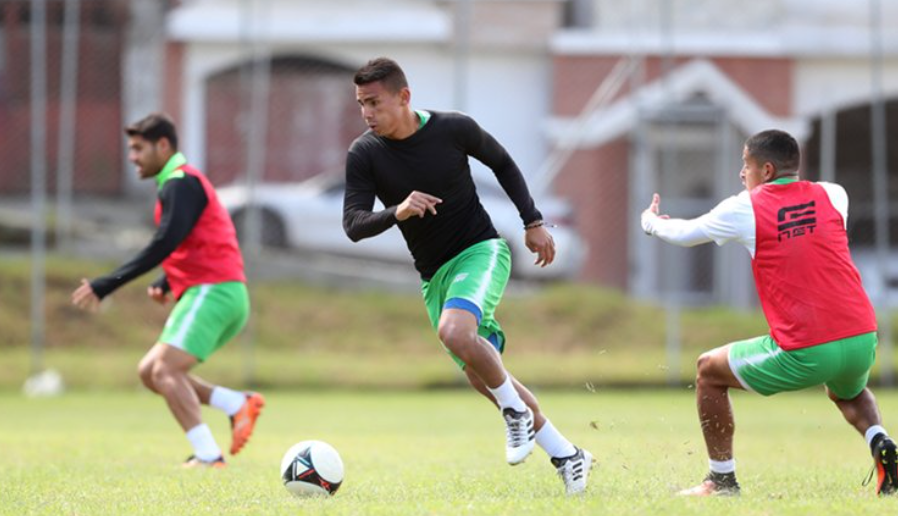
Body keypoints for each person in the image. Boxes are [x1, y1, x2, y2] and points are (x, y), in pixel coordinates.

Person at [342, 57, 593, 495]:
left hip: (481, 251)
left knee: (456, 334)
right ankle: (568, 456)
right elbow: (354, 224)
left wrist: (533, 223)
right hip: (433, 276)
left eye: (375, 103)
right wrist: (397, 211)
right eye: (361, 104)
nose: (367, 113)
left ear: (404, 97)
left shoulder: (453, 129)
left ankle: (513, 415)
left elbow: (503, 163)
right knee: (484, 375)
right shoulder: (365, 153)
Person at [641, 129, 897, 496]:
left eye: (745, 165)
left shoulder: (744, 208)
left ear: (766, 169)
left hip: (807, 347)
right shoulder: (833, 193)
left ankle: (722, 481)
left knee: (708, 371)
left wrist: (649, 221)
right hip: (862, 336)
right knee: (849, 392)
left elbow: (683, 233)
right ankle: (881, 442)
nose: (741, 175)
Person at [71, 113, 265, 468]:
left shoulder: (179, 182)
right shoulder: (178, 181)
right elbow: (189, 240)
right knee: (151, 372)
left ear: (163, 145)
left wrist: (105, 284)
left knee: (164, 371)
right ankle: (235, 404)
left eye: (138, 149)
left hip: (215, 291)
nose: (132, 157)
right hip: (213, 290)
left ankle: (208, 456)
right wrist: (166, 280)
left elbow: (165, 241)